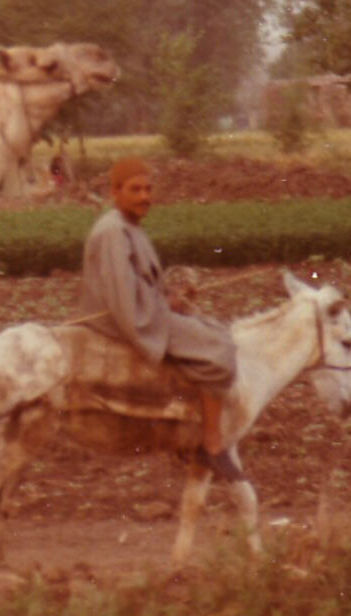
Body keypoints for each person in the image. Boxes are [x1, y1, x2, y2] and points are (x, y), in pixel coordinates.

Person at [80, 156, 239, 477]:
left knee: (211, 330)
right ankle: (211, 443)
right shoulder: (113, 232)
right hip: (124, 321)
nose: (144, 197)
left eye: (148, 189)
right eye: (135, 190)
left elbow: (139, 287)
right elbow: (125, 301)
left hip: (143, 312)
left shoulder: (129, 227)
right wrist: (161, 312)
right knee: (220, 348)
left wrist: (169, 300)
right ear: (115, 192)